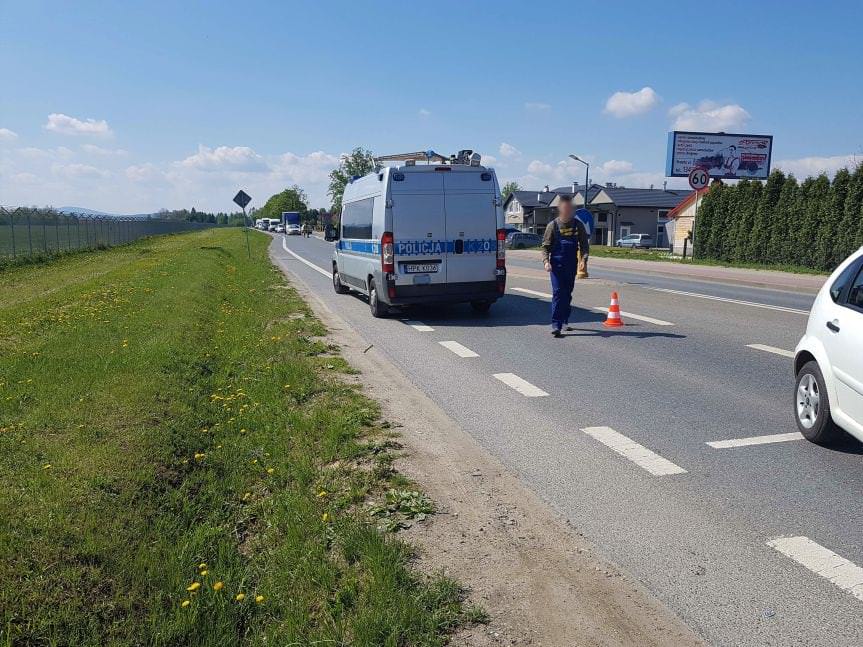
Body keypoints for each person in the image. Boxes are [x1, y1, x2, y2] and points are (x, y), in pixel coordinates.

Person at [541, 195, 589, 337]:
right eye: (565, 207)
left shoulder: (577, 225)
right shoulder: (553, 225)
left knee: (567, 294)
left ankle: (565, 319)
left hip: (571, 265)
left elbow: (584, 245)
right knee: (558, 293)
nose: (567, 210)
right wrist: (546, 262)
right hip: (555, 266)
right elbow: (545, 247)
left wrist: (583, 259)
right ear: (560, 208)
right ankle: (556, 325)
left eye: (570, 208)